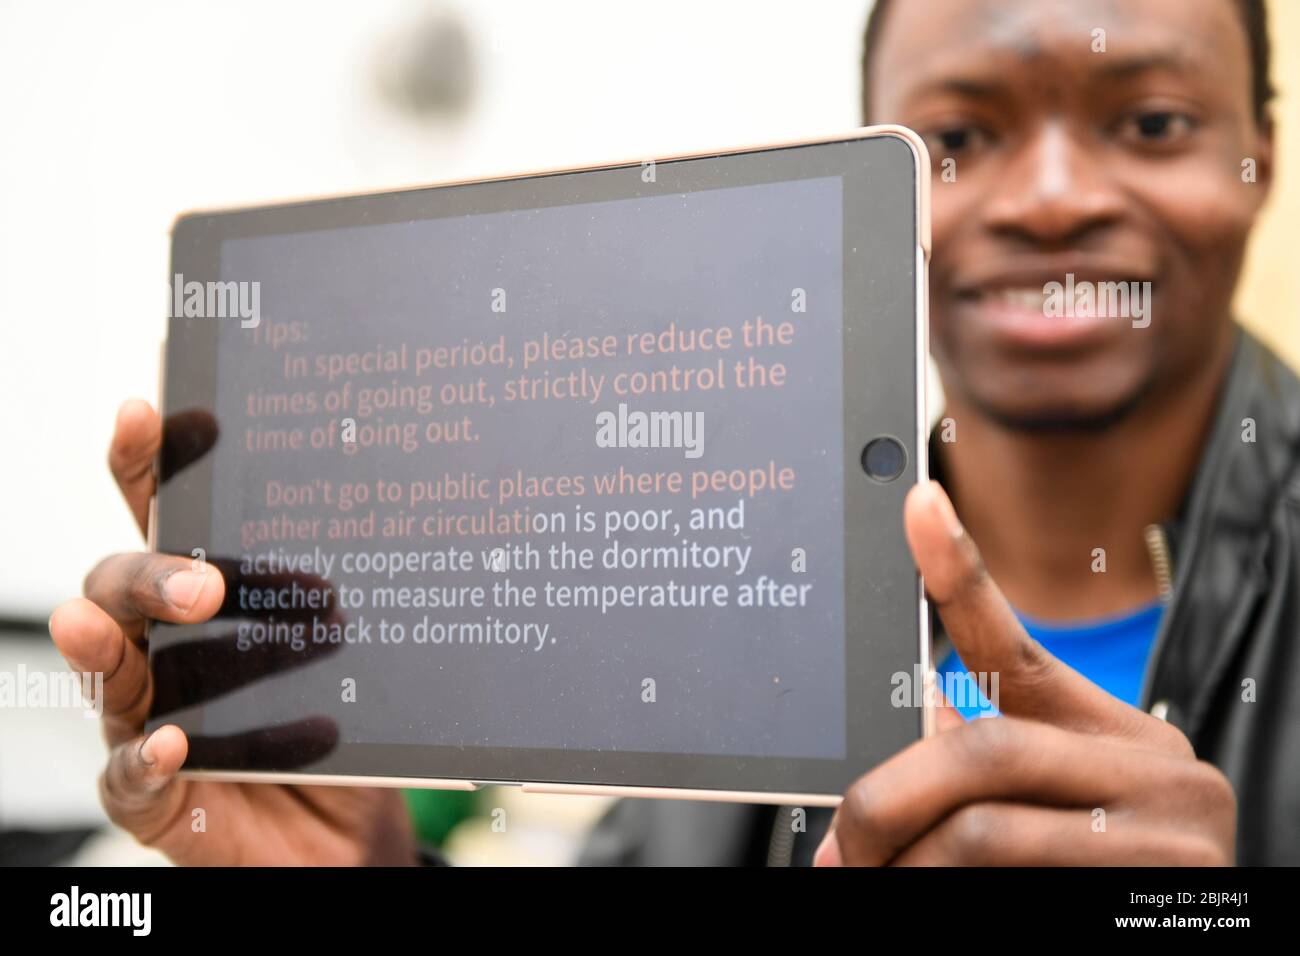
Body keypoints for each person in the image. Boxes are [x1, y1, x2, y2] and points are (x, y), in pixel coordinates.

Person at [49, 0, 1297, 866]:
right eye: (959, 138)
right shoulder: (740, 578)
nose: (1051, 198)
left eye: (1149, 123)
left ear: (1263, 149)